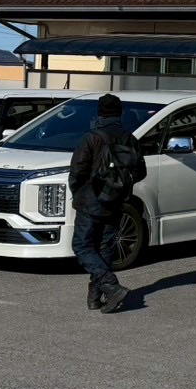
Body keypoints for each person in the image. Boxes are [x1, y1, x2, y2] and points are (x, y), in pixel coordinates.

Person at [68, 93, 147, 313]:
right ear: (120, 113)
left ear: (99, 113)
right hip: (116, 200)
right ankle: (95, 297)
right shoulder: (129, 138)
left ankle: (110, 286)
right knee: (104, 246)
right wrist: (119, 186)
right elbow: (141, 171)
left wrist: (78, 193)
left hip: (90, 199)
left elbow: (77, 172)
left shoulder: (91, 138)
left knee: (82, 246)